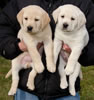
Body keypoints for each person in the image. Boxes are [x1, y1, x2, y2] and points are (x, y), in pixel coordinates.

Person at [0, 0, 94, 100]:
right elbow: (3, 30)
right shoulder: (19, 2)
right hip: (26, 90)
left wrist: (81, 52)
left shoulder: (84, 3)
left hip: (65, 93)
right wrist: (16, 46)